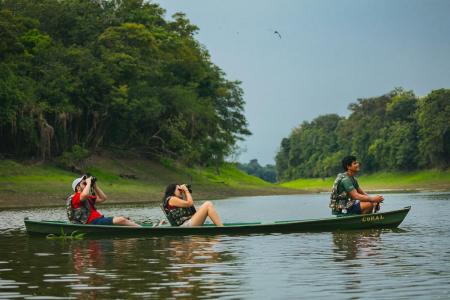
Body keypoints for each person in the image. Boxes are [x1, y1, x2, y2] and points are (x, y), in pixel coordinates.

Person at [66, 175, 140, 227]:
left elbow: (103, 198)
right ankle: (143, 229)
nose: (86, 185)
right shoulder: (75, 197)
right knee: (120, 220)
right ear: (78, 188)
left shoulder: (87, 198)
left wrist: (95, 186)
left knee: (125, 218)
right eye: (84, 183)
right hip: (92, 222)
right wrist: (88, 183)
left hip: (99, 220)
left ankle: (137, 227)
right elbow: (84, 195)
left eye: (86, 183)